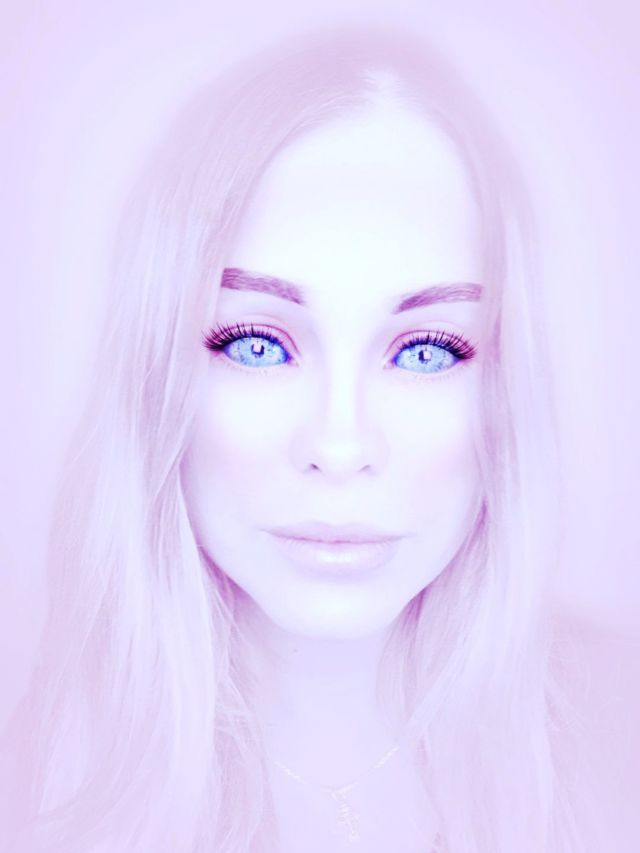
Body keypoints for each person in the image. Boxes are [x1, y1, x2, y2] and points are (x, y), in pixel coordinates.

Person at [0, 25, 599, 853]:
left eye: (426, 351)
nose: (340, 444)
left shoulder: (617, 737)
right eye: (257, 344)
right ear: (158, 380)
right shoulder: (29, 773)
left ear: (505, 386)